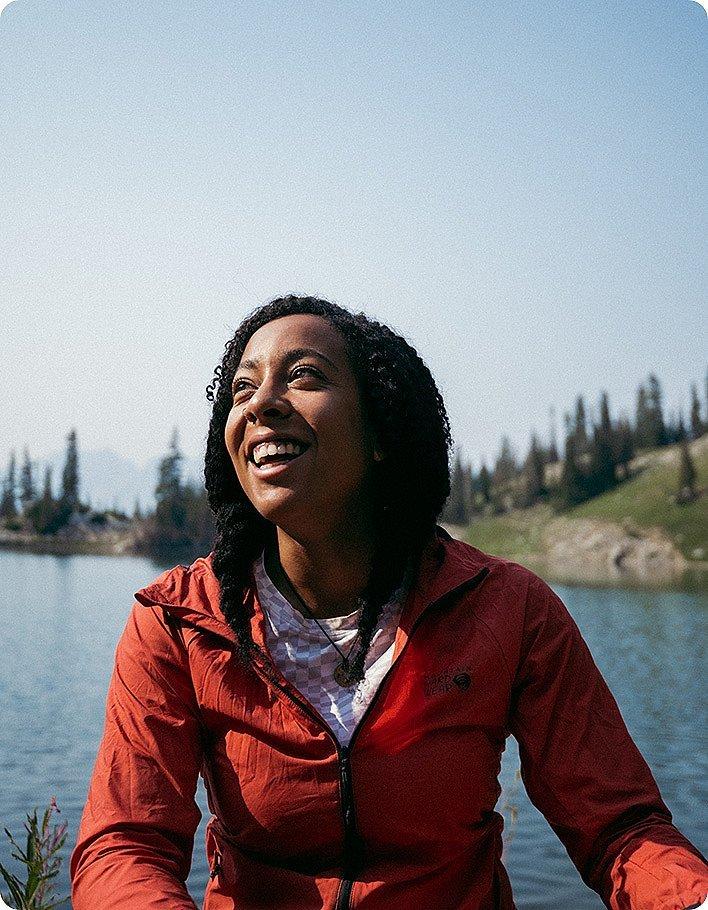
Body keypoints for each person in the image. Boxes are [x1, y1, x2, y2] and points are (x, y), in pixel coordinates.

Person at [71, 295, 707, 909]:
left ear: (380, 430)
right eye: (243, 388)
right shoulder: (179, 624)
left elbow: (619, 830)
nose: (263, 403)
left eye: (303, 377)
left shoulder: (509, 610)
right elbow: (125, 847)